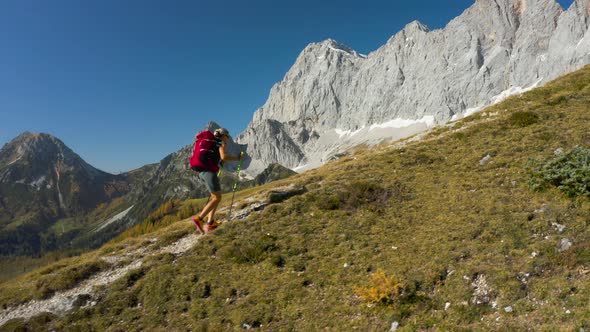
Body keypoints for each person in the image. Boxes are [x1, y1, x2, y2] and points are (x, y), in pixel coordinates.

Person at [189, 127, 244, 234]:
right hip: (208, 172)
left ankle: (210, 223)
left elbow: (217, 158)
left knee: (215, 197)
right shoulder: (220, 143)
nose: (227, 139)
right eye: (227, 136)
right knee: (217, 197)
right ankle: (199, 219)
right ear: (223, 136)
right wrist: (238, 158)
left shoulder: (211, 143)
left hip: (202, 172)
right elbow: (224, 157)